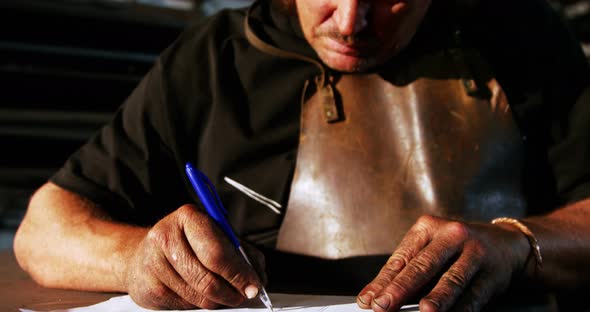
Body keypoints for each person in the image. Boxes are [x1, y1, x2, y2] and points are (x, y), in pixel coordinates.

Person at [13, 0, 590, 311]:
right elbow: (42, 231)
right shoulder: (217, 58)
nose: (350, 21)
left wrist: (519, 242)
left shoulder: (524, 37)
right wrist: (139, 257)